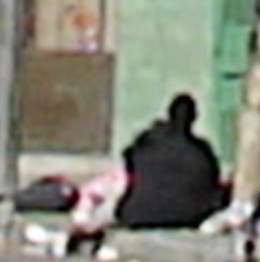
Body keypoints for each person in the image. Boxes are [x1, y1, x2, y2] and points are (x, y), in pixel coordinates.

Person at [69, 93, 229, 253]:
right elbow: (212, 185)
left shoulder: (150, 142)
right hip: (188, 218)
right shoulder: (202, 152)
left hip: (136, 214)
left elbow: (129, 160)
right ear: (194, 118)